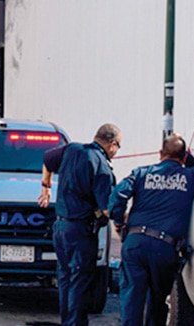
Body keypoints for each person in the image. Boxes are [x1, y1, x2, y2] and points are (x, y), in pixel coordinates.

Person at [109, 133, 194, 326]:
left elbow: (117, 196)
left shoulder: (142, 173)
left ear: (160, 153)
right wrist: (187, 155)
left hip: (135, 243)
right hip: (164, 248)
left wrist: (119, 223)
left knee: (131, 302)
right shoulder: (190, 176)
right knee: (158, 303)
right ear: (183, 158)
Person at [39, 123, 120, 326]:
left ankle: (67, 321)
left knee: (65, 278)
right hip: (81, 230)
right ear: (112, 144)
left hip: (60, 228)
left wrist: (45, 187)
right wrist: (123, 221)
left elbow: (47, 160)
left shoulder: (72, 149)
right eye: (118, 146)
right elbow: (107, 209)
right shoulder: (102, 167)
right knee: (80, 281)